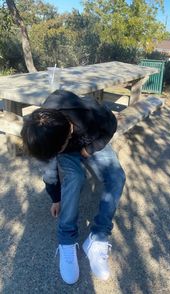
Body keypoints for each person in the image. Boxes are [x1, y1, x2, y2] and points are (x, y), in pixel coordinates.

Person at [21, 89, 126, 284]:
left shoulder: (88, 109)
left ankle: (97, 237)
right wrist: (56, 198)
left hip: (91, 140)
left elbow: (111, 124)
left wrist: (90, 148)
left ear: (68, 134)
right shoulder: (45, 131)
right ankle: (67, 240)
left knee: (117, 177)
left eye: (57, 151)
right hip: (67, 145)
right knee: (75, 177)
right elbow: (50, 170)